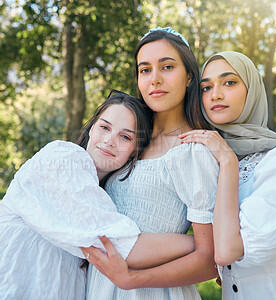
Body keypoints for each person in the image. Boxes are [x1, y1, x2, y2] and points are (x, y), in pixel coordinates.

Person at [0, 91, 197, 300]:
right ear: (91, 129)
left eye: (125, 136)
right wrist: (205, 247)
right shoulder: (64, 160)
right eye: (104, 127)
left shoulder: (102, 196)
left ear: (135, 150)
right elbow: (120, 246)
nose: (109, 141)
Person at [179, 51, 276, 299]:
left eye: (229, 82)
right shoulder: (209, 158)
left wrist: (229, 162)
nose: (216, 94)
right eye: (206, 87)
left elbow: (227, 252)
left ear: (251, 90)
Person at [82, 27, 219, 299]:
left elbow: (210, 259)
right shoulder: (128, 139)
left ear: (189, 76)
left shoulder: (193, 150)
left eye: (167, 67)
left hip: (150, 292)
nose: (155, 79)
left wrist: (131, 280)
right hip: (99, 288)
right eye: (145, 70)